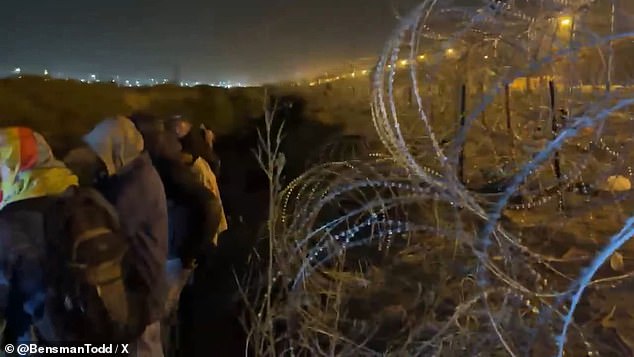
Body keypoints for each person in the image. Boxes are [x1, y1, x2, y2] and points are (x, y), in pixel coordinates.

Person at [64, 116, 168, 357]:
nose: (99, 159)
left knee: (142, 348)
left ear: (118, 149)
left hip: (142, 288)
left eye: (102, 152)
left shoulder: (136, 184)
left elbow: (113, 232)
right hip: (141, 287)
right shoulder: (129, 175)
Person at [0, 127, 80, 346]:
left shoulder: (11, 222)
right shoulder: (85, 198)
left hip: (39, 335)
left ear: (12, 167)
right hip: (92, 328)